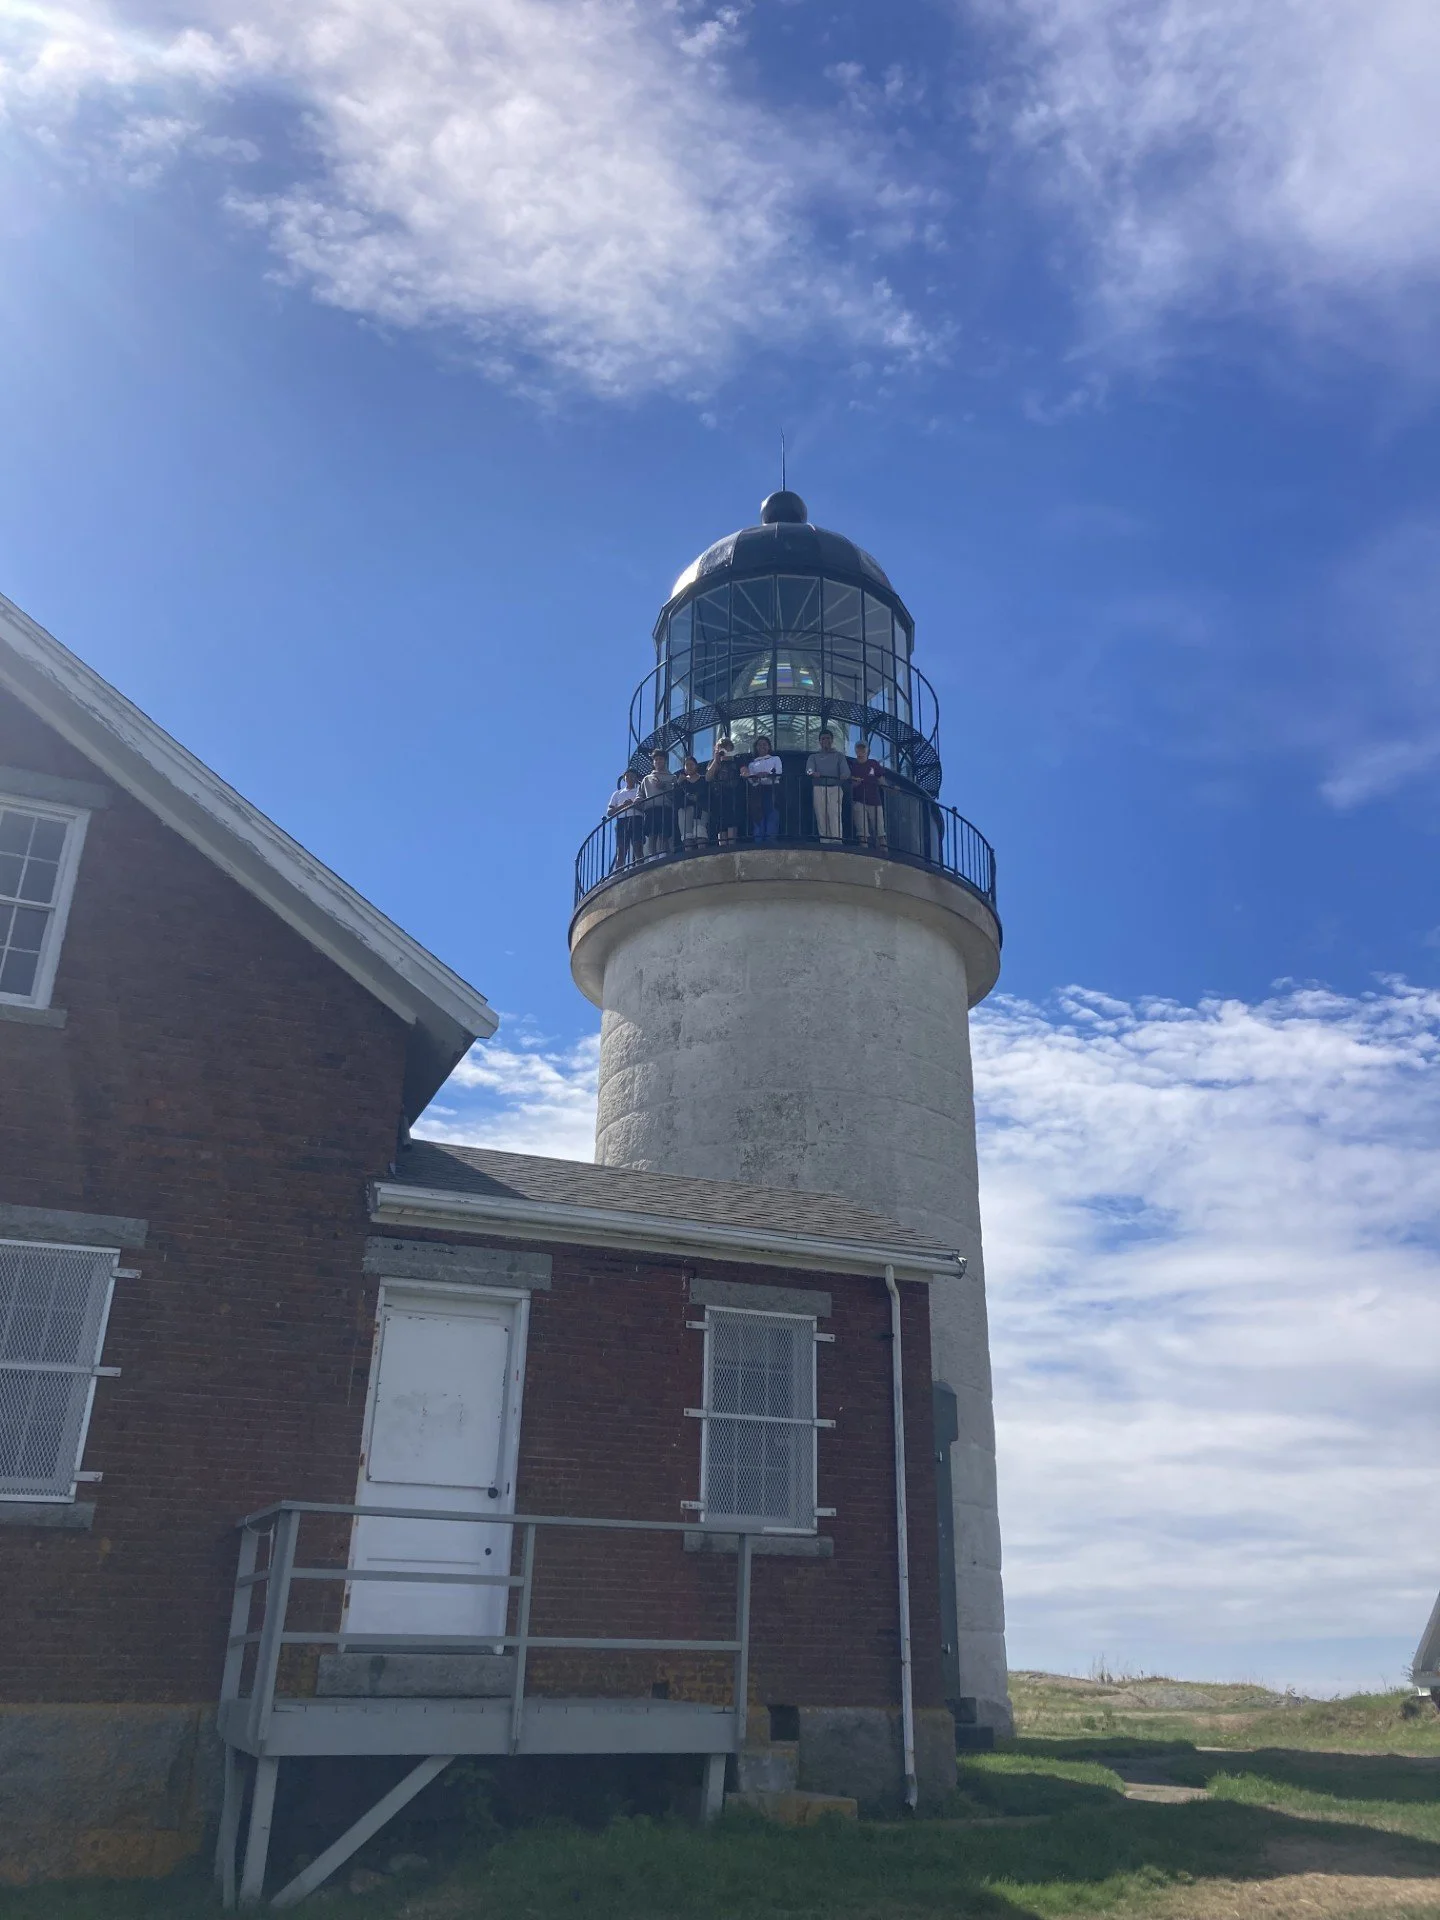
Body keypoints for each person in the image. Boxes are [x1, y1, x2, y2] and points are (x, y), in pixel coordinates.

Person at [806, 728, 850, 844]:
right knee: (821, 816)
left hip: (834, 788)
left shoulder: (839, 756)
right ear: (819, 741)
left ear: (832, 740)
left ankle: (837, 842)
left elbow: (846, 772)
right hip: (819, 788)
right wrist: (813, 773)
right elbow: (809, 771)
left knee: (834, 815)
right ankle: (824, 842)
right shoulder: (813, 757)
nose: (826, 740)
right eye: (823, 738)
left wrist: (844, 775)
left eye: (828, 738)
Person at [742, 734, 783, 842]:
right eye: (759, 745)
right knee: (758, 816)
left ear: (769, 747)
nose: (762, 747)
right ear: (756, 747)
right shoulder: (752, 764)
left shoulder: (775, 759)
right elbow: (751, 780)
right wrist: (755, 778)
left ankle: (770, 841)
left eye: (765, 744)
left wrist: (766, 774)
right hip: (757, 792)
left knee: (772, 815)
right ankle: (758, 842)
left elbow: (778, 773)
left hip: (772, 790)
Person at [638, 749, 676, 858]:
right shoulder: (646, 779)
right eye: (656, 759)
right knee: (652, 835)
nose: (658, 761)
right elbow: (640, 794)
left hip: (666, 808)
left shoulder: (672, 777)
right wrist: (638, 800)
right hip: (650, 810)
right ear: (653, 762)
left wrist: (664, 786)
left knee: (664, 835)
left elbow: (675, 794)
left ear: (665, 761)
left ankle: (663, 855)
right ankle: (652, 857)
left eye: (661, 759)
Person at [850, 738, 887, 848]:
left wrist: (890, 788)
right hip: (858, 801)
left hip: (875, 801)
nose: (860, 752)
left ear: (868, 751)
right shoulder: (853, 765)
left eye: (863, 749)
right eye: (858, 749)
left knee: (880, 833)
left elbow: (881, 780)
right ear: (856, 751)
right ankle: (865, 852)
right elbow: (849, 784)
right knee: (862, 833)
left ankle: (885, 854)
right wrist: (854, 782)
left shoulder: (873, 764)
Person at [707, 736, 743, 846]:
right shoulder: (713, 763)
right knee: (721, 823)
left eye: (725, 747)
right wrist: (716, 760)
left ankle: (731, 845)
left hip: (733, 795)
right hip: (719, 796)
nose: (723, 749)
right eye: (720, 747)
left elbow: (743, 770)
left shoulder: (737, 760)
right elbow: (708, 777)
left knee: (732, 820)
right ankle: (722, 846)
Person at [606, 770, 641, 869]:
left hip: (637, 818)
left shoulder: (640, 790)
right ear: (624, 778)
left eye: (633, 776)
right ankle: (618, 872)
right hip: (622, 821)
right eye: (628, 776)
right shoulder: (617, 794)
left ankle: (641, 869)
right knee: (621, 850)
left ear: (636, 778)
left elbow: (645, 806)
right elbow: (609, 812)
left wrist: (634, 805)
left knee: (637, 847)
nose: (630, 778)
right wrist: (623, 806)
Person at [677, 753, 709, 849]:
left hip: (701, 809)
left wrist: (698, 797)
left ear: (696, 766)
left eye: (691, 764)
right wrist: (678, 783)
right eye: (687, 765)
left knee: (700, 833)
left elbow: (707, 793)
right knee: (687, 836)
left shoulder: (703, 779)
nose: (689, 767)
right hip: (685, 810)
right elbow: (675, 797)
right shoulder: (681, 782)